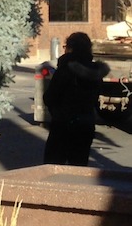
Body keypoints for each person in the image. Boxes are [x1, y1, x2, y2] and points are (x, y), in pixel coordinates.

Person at [43, 32, 110, 166]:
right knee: (79, 167)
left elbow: (50, 97)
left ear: (70, 48)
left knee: (53, 167)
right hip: (86, 124)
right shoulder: (96, 72)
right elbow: (96, 97)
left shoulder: (65, 69)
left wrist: (56, 111)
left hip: (63, 124)